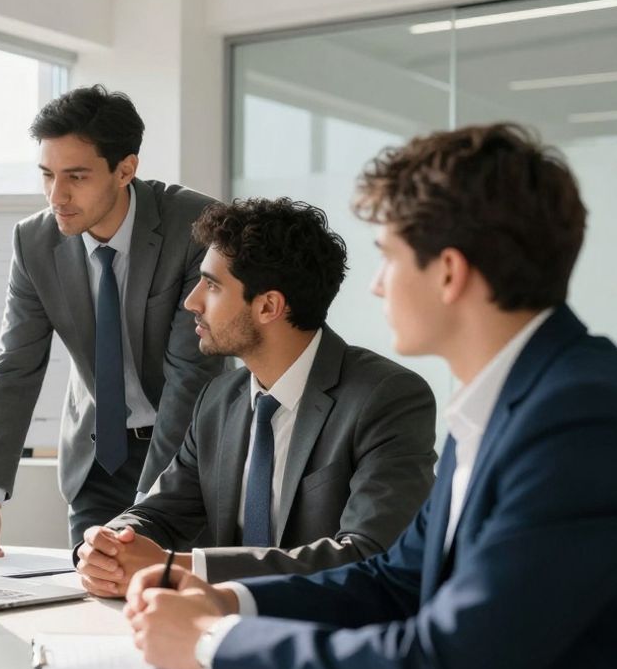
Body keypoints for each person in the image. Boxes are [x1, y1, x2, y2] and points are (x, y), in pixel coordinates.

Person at [124, 123, 617, 669]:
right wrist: (226, 602)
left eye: (388, 256)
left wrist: (208, 644)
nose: (378, 285)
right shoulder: (503, 406)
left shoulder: (578, 418)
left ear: (448, 273)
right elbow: (394, 581)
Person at [76, 197, 435, 596]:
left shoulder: (386, 398)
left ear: (268, 306)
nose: (191, 301)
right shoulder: (219, 398)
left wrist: (180, 566)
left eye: (211, 285)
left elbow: (369, 555)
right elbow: (161, 511)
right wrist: (107, 544)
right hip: (215, 633)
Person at [0, 84, 226, 551]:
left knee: (169, 602)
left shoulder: (193, 225)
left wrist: (148, 511)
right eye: (47, 175)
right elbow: (15, 367)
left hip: (185, 456)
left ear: (125, 170)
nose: (56, 195)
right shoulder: (34, 242)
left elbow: (191, 375)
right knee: (89, 598)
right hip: (96, 459)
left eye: (76, 177)